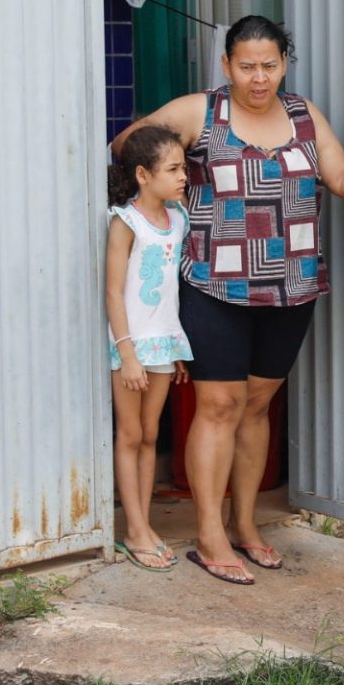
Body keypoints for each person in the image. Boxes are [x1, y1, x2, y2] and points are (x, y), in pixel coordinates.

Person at [111, 15, 344, 585]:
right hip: (214, 287)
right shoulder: (200, 112)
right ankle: (208, 535)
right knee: (219, 408)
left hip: (291, 288)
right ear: (226, 65)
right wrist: (155, 196)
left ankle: (245, 526)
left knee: (256, 408)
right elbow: (128, 146)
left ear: (284, 63)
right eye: (246, 65)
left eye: (270, 65)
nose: (259, 77)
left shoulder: (304, 115)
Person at [105, 125, 194, 572]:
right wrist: (127, 353)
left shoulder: (177, 218)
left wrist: (174, 346)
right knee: (131, 434)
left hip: (163, 341)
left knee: (152, 435)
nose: (183, 176)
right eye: (174, 169)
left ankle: (145, 526)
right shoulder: (126, 221)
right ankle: (134, 530)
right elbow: (113, 292)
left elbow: (169, 291)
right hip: (132, 345)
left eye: (184, 167)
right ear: (143, 174)